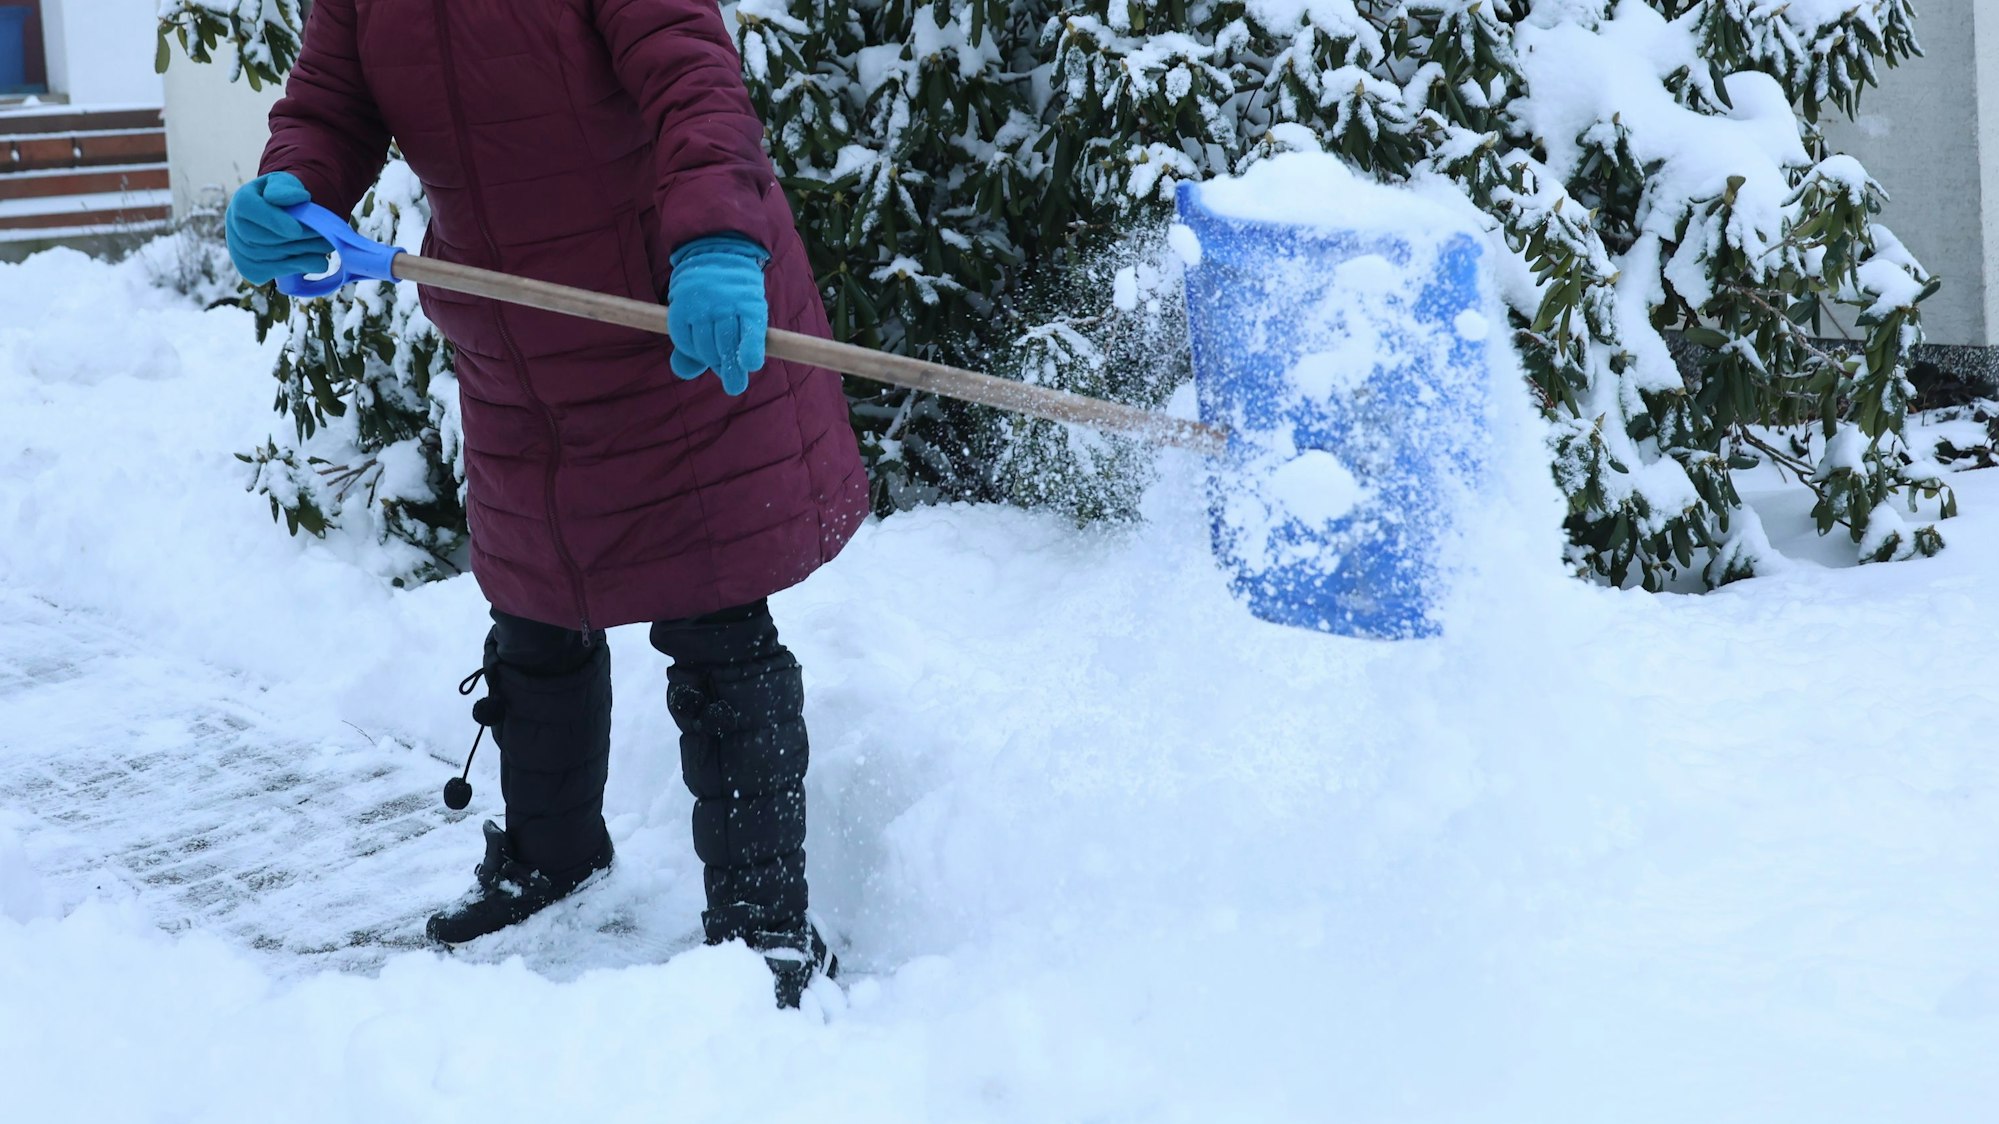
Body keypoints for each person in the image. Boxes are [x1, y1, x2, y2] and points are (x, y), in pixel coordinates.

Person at [223, 0, 868, 1008]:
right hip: (519, 329)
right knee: (535, 600)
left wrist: (716, 240)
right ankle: (550, 858)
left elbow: (694, 86)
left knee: (713, 612)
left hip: (672, 307)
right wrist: (294, 186)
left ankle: (765, 927)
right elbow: (333, 103)